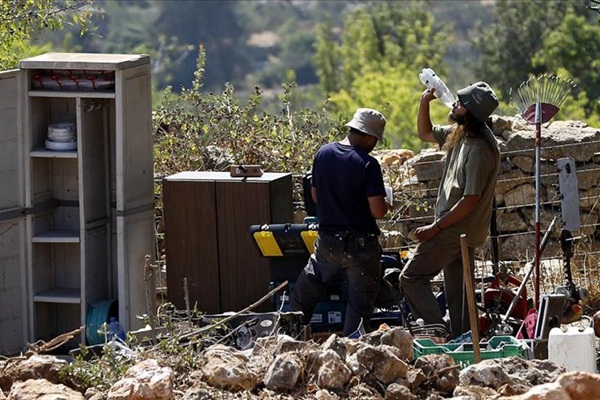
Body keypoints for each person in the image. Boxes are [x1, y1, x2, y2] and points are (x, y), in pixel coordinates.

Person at [400, 82, 500, 339]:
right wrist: (424, 102)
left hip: (456, 229)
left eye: (461, 103)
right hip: (458, 228)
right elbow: (425, 133)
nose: (455, 105)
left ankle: (437, 331)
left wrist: (436, 228)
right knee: (459, 294)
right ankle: (463, 341)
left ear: (472, 113)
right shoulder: (462, 133)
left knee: (411, 277)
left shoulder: (479, 149)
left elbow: (470, 199)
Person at [290, 108, 389, 336]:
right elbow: (378, 211)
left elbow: (315, 196)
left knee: (306, 290)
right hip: (361, 246)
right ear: (369, 136)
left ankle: (289, 334)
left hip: (328, 242)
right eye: (375, 139)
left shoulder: (323, 153)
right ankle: (352, 345)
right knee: (359, 307)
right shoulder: (368, 164)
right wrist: (386, 203)